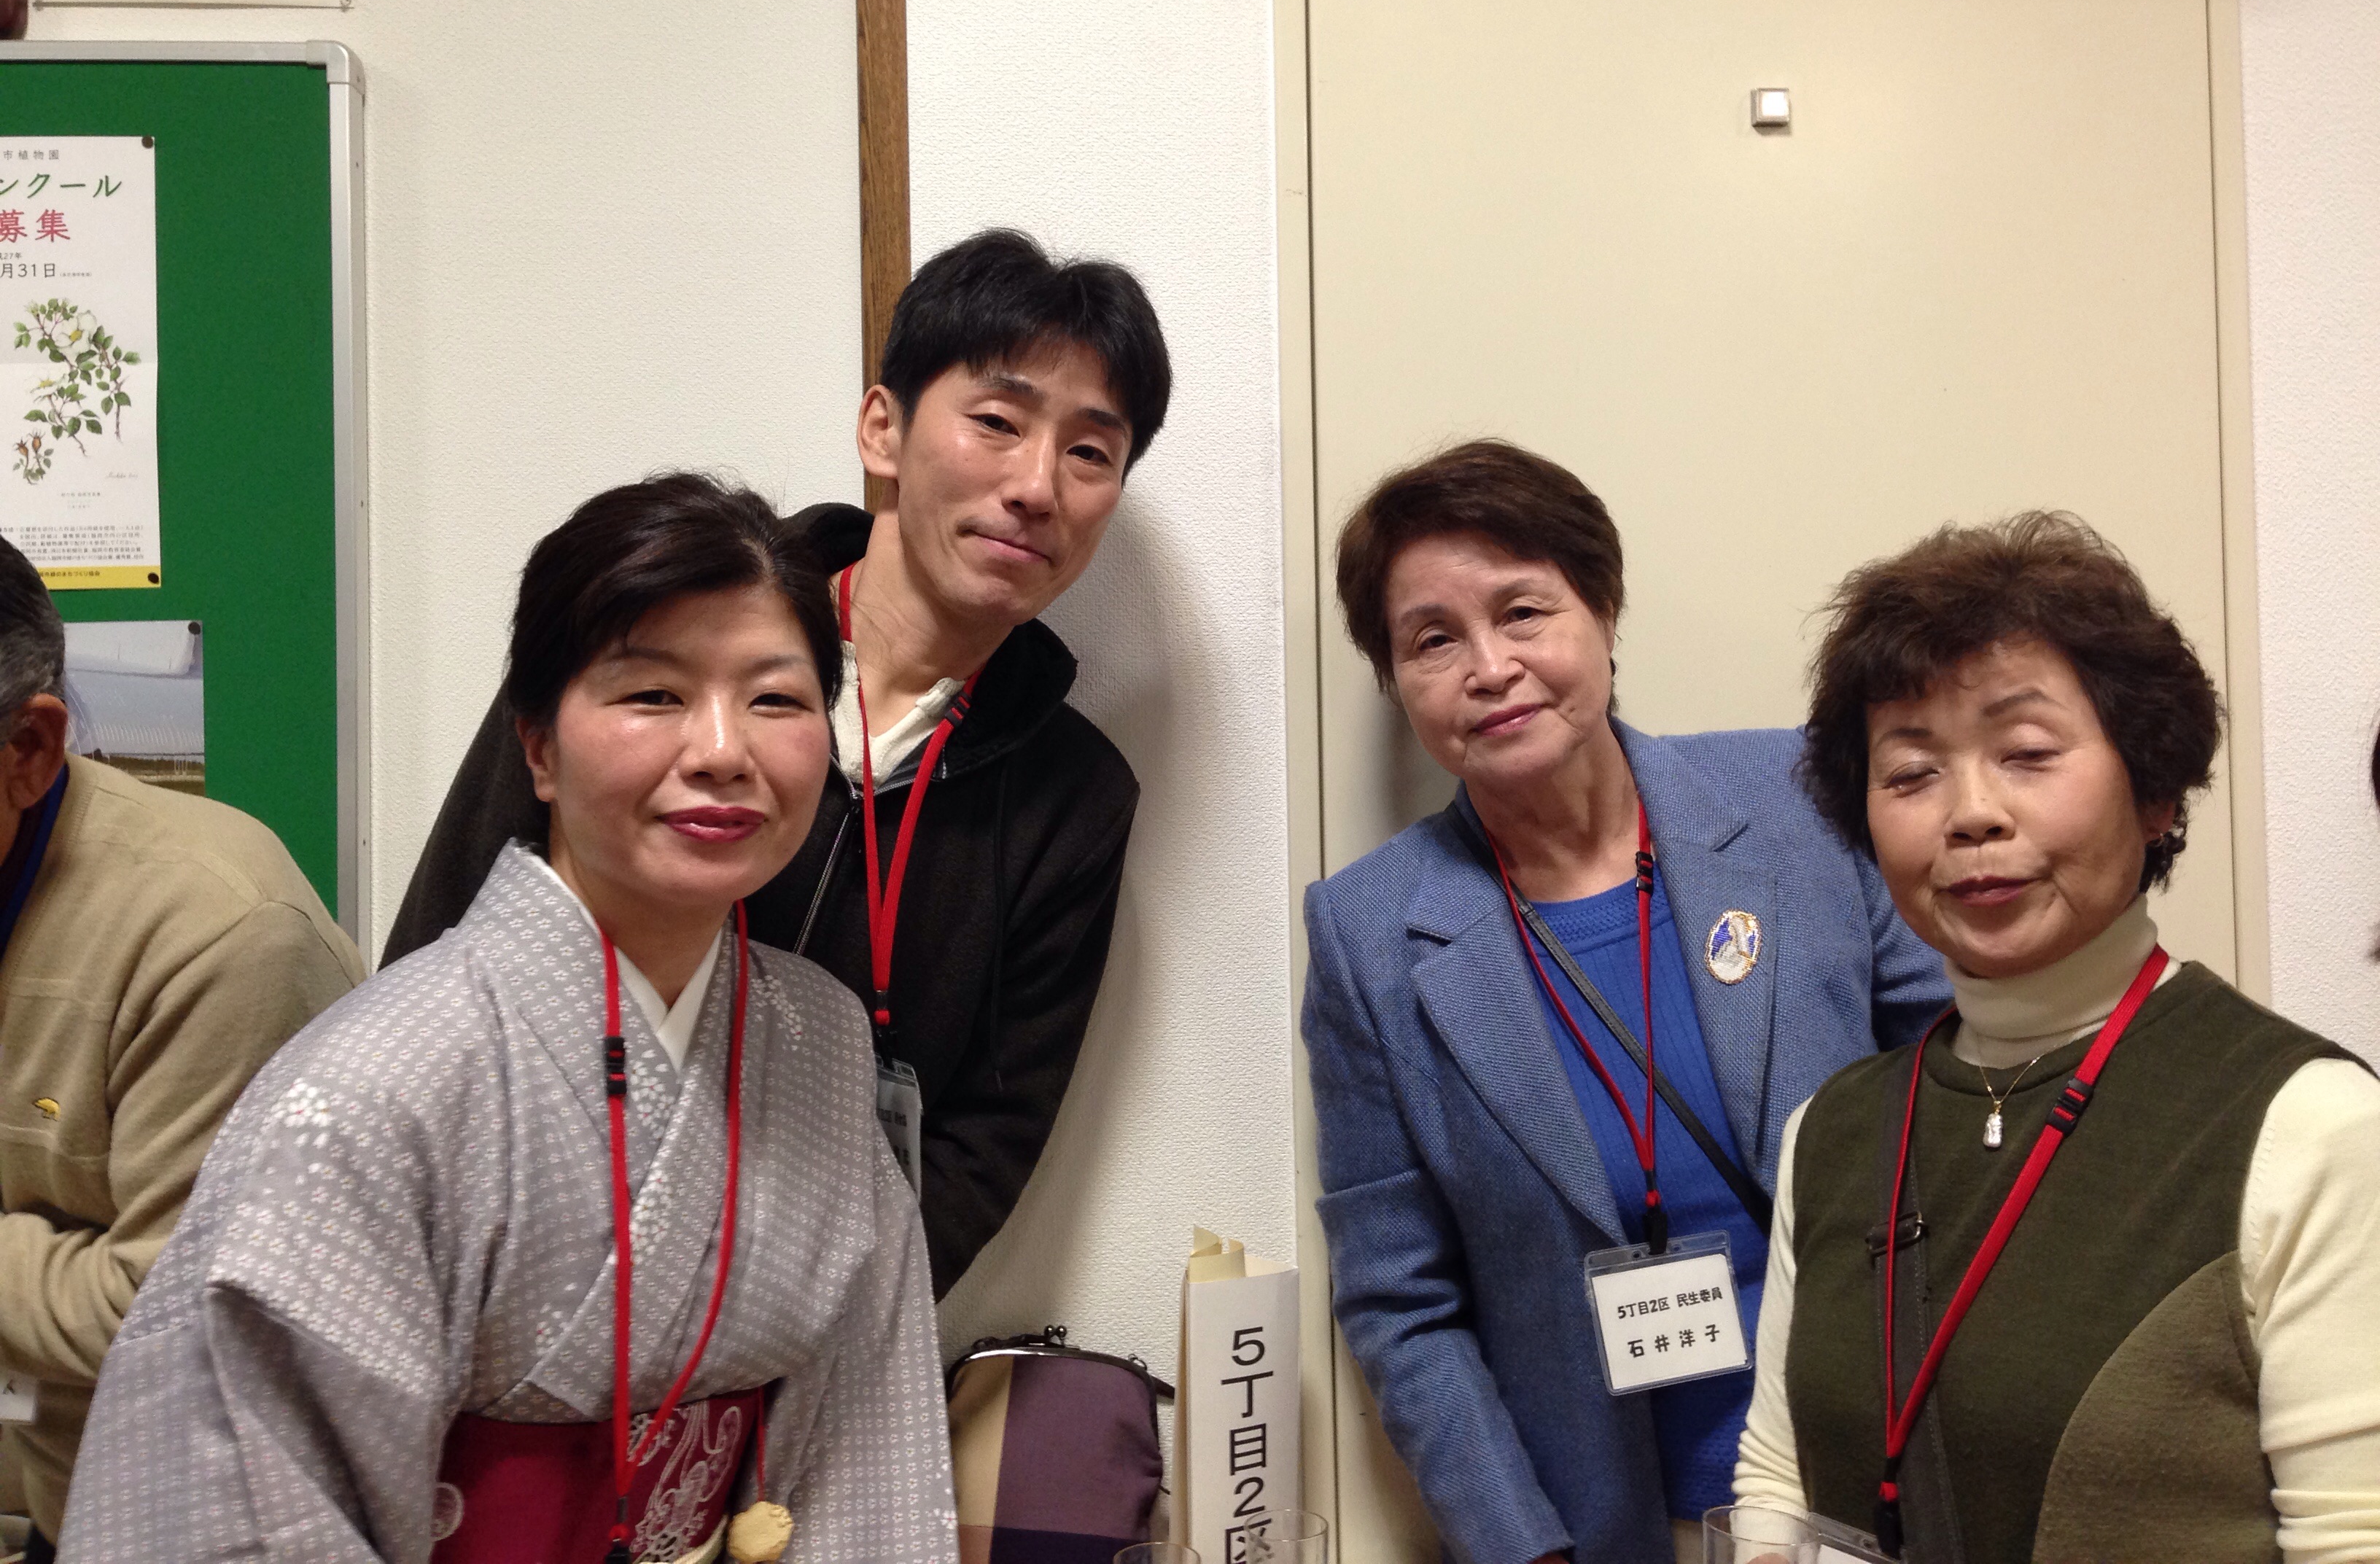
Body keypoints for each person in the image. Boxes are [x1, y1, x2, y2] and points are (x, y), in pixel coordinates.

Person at [60, 475, 953, 1563]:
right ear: (537, 747)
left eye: (775, 700)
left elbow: (869, 1449)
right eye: (654, 694)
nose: (724, 750)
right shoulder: (371, 1089)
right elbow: (241, 1511)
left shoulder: (817, 1040)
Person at [381, 227, 1170, 1294]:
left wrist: (816, 1327)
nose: (1037, 485)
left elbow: (985, 1145)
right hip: (517, 1266)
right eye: (996, 421)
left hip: (803, 1323)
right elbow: (447, 942)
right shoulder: (651, 628)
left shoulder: (1074, 798)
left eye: (1090, 453)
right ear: (883, 429)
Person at [1301, 441, 1946, 1564]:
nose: (1489, 667)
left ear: (1603, 612)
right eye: (1433, 640)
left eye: (1523, 612)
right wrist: (1526, 1549)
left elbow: (1964, 1096)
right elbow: (1401, 1306)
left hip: (1889, 1489)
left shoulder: (1803, 799)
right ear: (1398, 682)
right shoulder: (1368, 933)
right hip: (1624, 1529)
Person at [1733, 513, 2380, 1563]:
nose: (1971, 814)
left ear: (2155, 792)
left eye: (2027, 753)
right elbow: (1779, 1480)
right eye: (1912, 772)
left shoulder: (2311, 1125)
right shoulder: (1834, 1130)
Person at [0, 537, 364, 1564]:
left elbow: (181, 1308)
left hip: (210, 1522)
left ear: (30, 748)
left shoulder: (218, 931)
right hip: (51, 1483)